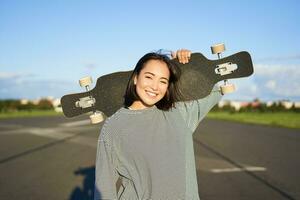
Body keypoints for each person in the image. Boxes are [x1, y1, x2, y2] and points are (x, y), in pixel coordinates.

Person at [94, 49, 223, 200]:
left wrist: (187, 68)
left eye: (163, 81)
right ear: (135, 78)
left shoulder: (180, 114)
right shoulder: (114, 127)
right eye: (149, 77)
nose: (155, 87)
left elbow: (216, 88)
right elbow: (104, 188)